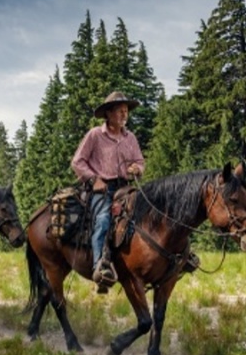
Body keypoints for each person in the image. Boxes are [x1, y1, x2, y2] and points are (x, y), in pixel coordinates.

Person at [72, 91, 198, 293]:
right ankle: (99, 265)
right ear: (109, 114)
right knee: (104, 219)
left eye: (126, 111)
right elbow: (77, 161)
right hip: (100, 188)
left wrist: (136, 169)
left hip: (125, 187)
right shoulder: (95, 135)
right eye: (120, 111)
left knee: (153, 212)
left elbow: (140, 161)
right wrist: (95, 179)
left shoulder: (130, 137)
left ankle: (180, 254)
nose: (124, 115)